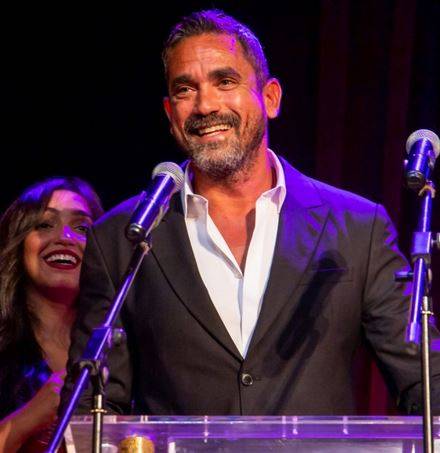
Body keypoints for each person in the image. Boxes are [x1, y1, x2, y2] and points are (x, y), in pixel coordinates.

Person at [64, 9, 440, 416]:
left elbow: (424, 382)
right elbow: (93, 405)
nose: (205, 105)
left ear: (271, 98)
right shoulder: (120, 238)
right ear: (170, 113)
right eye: (185, 90)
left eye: (225, 82)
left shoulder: (357, 228)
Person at [0, 177, 103, 452]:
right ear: (19, 243)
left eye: (82, 228)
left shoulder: (119, 349)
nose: (65, 238)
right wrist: (30, 417)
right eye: (45, 224)